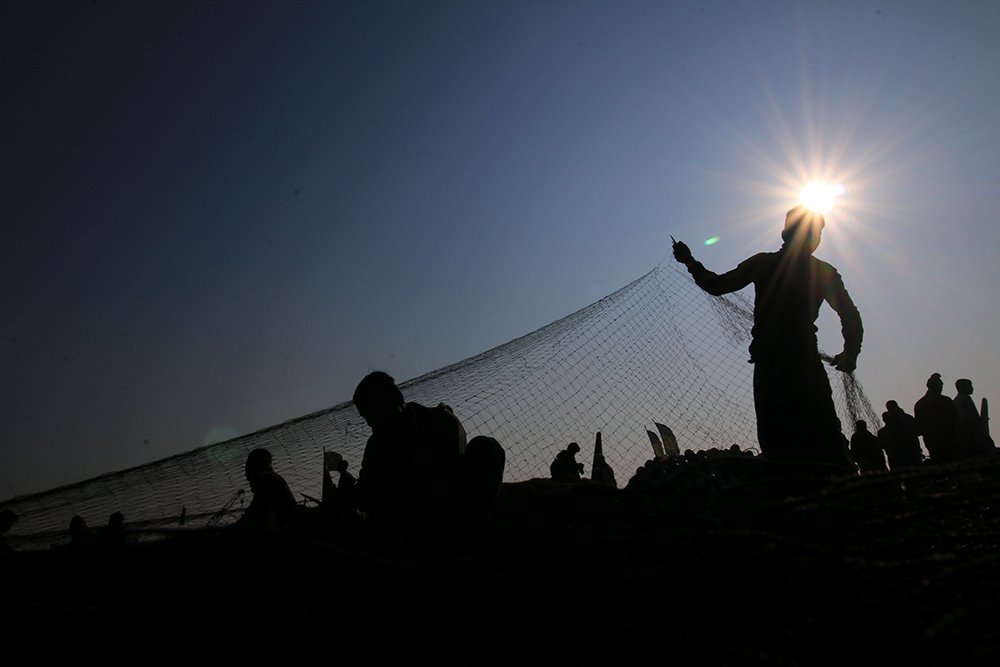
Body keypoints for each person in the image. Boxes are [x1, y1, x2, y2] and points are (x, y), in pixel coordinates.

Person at [672, 204, 863, 471]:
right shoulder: (822, 271)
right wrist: (851, 352)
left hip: (775, 362)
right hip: (799, 362)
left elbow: (716, 285)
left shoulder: (765, 264)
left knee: (784, 438)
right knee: (821, 435)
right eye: (815, 233)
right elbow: (850, 315)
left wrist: (690, 262)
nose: (817, 239)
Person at [350, 371, 505, 529]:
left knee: (486, 445)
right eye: (366, 416)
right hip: (406, 518)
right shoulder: (375, 445)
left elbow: (447, 476)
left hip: (444, 507)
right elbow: (366, 487)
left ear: (395, 400)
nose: (370, 423)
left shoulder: (438, 421)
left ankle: (473, 526)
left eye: (374, 412)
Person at [237, 448, 298, 530]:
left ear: (256, 466)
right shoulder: (275, 478)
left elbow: (254, 511)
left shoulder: (267, 480)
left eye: (248, 466)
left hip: (284, 530)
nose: (246, 475)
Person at [913, 373, 959, 464]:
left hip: (940, 439)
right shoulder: (945, 401)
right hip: (941, 439)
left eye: (941, 386)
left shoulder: (920, 404)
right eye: (939, 386)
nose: (940, 388)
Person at [879, 401, 923, 470]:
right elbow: (919, 431)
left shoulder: (890, 424)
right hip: (913, 451)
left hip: (898, 456)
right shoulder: (908, 418)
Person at [953, 378, 989, 457]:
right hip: (968, 434)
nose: (972, 388)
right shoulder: (963, 400)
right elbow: (970, 419)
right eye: (970, 386)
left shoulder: (963, 399)